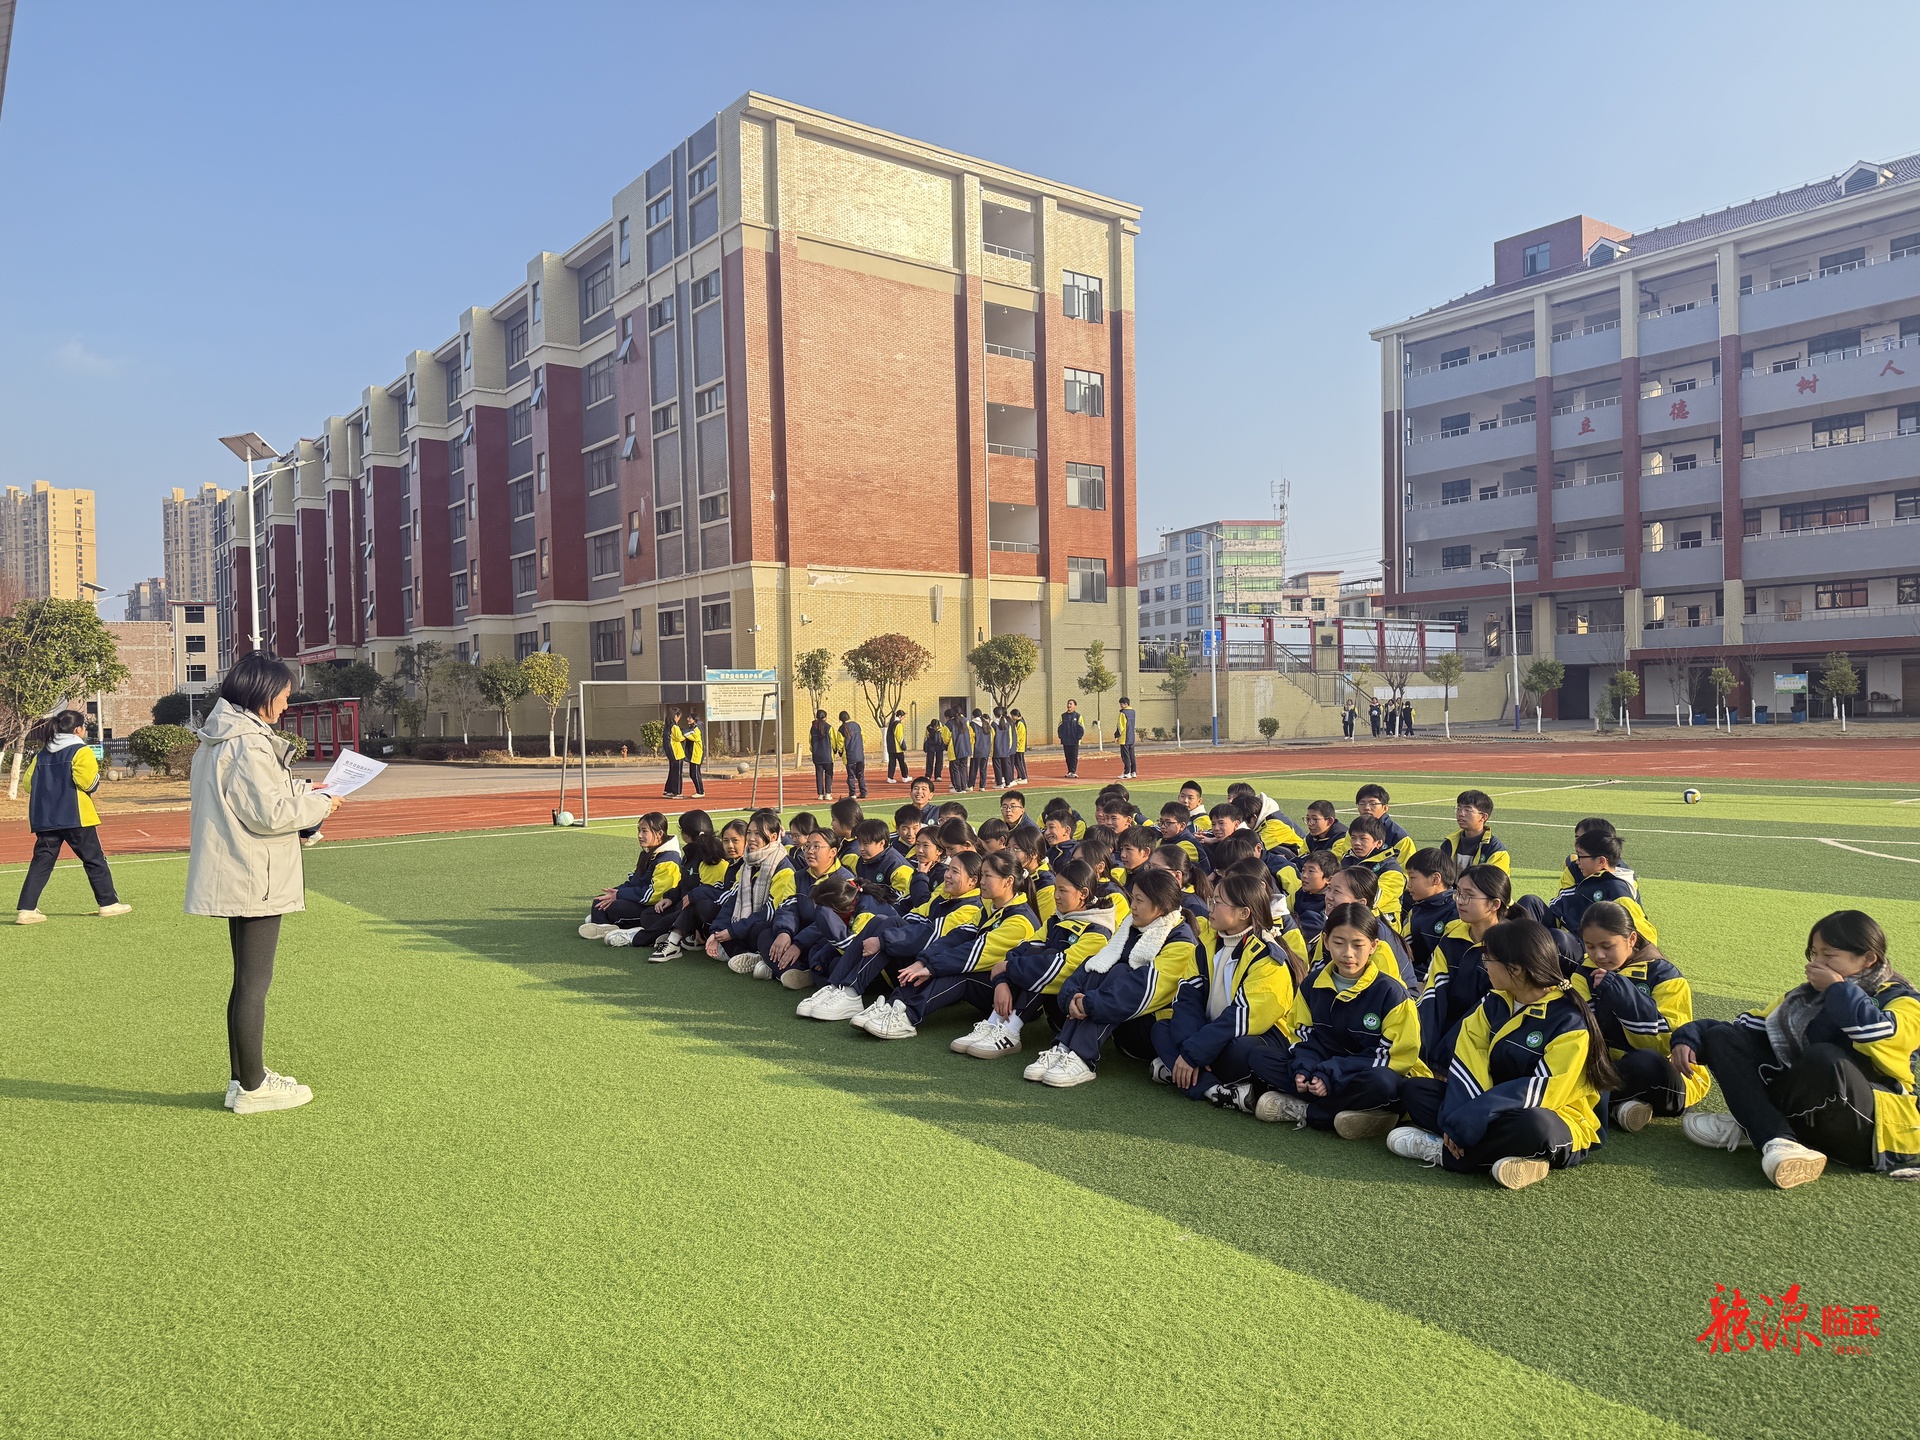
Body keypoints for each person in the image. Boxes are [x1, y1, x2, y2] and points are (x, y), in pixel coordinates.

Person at [184, 652, 343, 1116]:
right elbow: (269, 814)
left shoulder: (222, 737)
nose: (287, 703)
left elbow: (260, 801)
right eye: (284, 694)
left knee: (245, 982)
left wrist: (306, 801)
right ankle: (253, 1086)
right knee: (255, 983)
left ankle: (243, 1080)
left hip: (241, 867)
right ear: (262, 693)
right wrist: (321, 806)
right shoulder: (247, 743)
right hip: (256, 872)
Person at [1674, 910, 1920, 1187]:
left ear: (1868, 959)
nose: (1817, 963)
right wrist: (1689, 1036)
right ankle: (1776, 1138)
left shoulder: (1903, 1000)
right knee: (1720, 1036)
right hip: (1814, 1114)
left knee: (1825, 1058)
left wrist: (1837, 990)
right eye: (1814, 954)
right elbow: (1744, 1028)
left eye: (1828, 955)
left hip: (1869, 1129)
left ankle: (1753, 1123)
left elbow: (1873, 1032)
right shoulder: (1805, 995)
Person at [1390, 917, 1617, 1190]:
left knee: (1536, 1125)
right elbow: (1467, 1062)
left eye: (1489, 960)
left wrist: (1476, 1116)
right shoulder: (1493, 1003)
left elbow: (1542, 1091)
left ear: (1516, 969)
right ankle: (1508, 1157)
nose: (1484, 966)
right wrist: (1460, 1116)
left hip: (1553, 1115)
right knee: (1416, 1090)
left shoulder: (1570, 1022)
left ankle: (1447, 1154)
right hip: (1490, 1107)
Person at [1243, 902, 1425, 1137]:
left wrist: (1332, 1073)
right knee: (1261, 1056)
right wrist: (1305, 1069)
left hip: (1360, 1073)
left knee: (1384, 1083)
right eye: (1339, 943)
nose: (1348, 953)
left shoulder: (1392, 993)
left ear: (1373, 946)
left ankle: (1312, 1112)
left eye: (1358, 945)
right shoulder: (1312, 984)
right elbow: (1302, 1036)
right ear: (1326, 942)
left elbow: (1394, 1057)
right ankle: (1350, 1112)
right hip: (1323, 1072)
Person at [1026, 867, 1197, 1087]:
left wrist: (1088, 1004)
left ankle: (1081, 1057)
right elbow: (1095, 962)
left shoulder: (1181, 941)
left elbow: (1143, 991)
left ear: (1161, 907)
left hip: (1152, 1032)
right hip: (1122, 1023)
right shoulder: (1132, 926)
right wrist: (1071, 997)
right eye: (1132, 898)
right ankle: (1064, 1048)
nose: (1132, 906)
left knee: (1120, 972)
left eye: (1139, 900)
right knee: (1104, 967)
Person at [1148, 870, 1298, 1104]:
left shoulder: (1268, 957)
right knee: (1161, 1028)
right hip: (1212, 1032)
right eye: (1212, 901)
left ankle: (1179, 1071)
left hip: (1255, 1037)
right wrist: (1191, 1050)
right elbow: (1187, 998)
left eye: (1218, 902)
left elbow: (1241, 1018)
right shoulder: (1207, 944)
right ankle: (1216, 1091)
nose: (1210, 907)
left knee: (1241, 1048)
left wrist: (1192, 1053)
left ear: (1244, 913)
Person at [1571, 901, 1713, 1133]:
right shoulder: (1584, 972)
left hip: (1668, 1074)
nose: (1598, 955)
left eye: (1607, 946)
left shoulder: (1666, 976)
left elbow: (1666, 1043)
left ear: (1632, 940)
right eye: (1590, 946)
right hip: (1608, 1066)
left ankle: (1594, 1104)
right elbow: (1585, 1029)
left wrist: (1626, 998)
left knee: (1646, 1062)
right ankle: (1620, 1108)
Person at [16, 710, 130, 925]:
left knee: (41, 862)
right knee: (94, 860)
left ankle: (26, 909)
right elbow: (87, 783)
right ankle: (108, 904)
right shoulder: (81, 750)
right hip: (76, 816)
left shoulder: (42, 754)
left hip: (45, 818)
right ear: (78, 729)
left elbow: (28, 785)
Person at [587, 812, 684, 950]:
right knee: (600, 901)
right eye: (639, 830)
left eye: (644, 831)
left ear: (660, 833)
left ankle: (605, 925)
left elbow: (655, 895)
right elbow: (636, 881)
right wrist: (616, 892)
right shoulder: (648, 852)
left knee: (614, 907)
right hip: (644, 901)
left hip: (656, 907)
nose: (639, 835)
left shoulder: (668, 860)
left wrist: (619, 895)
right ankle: (603, 924)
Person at [1400, 847, 1459, 982]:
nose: (1408, 884)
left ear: (1435, 879)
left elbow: (1439, 962)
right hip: (1414, 976)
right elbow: (1402, 950)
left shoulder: (1455, 913)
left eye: (1413, 877)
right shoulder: (1417, 909)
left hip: (1434, 982)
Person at [1335, 784, 1415, 866]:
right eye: (1362, 803)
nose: (1367, 807)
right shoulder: (1354, 830)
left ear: (1385, 808)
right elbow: (1346, 856)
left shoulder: (1399, 837)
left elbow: (1407, 871)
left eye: (1373, 804)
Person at [1440, 790, 1509, 872]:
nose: (1461, 814)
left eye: (1467, 810)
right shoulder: (1449, 844)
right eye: (1458, 808)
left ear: (1483, 817)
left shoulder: (1496, 850)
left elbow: (1493, 883)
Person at [838, 711, 867, 799]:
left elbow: (840, 744)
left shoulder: (841, 729)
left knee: (851, 776)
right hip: (860, 755)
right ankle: (863, 792)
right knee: (860, 775)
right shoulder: (856, 725)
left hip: (849, 756)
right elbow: (863, 738)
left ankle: (852, 793)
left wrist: (840, 751)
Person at [809, 710, 835, 801]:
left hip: (817, 756)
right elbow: (833, 741)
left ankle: (820, 794)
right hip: (827, 756)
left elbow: (810, 741)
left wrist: (813, 750)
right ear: (825, 717)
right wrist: (835, 750)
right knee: (829, 774)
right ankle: (828, 794)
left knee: (819, 775)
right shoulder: (829, 727)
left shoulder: (813, 728)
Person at [946, 708, 973, 793]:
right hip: (965, 748)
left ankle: (958, 788)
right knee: (963, 768)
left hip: (955, 749)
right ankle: (964, 786)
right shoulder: (966, 721)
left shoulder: (949, 724)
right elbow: (971, 734)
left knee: (955, 769)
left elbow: (945, 738)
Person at [1057, 699, 1085, 778]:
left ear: (1075, 706)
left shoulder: (1078, 716)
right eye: (1068, 704)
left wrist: (1078, 737)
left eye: (1070, 704)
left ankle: (1073, 771)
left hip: (1074, 740)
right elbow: (1060, 727)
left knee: (1074, 756)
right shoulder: (1063, 716)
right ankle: (1069, 771)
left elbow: (1081, 728)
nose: (1069, 705)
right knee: (1067, 756)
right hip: (1066, 740)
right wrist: (1061, 736)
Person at [682, 711, 706, 797]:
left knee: (695, 774)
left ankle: (700, 792)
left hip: (696, 754)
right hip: (693, 754)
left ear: (694, 720)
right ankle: (699, 791)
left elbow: (692, 736)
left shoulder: (696, 728)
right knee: (693, 774)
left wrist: (682, 732)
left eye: (690, 718)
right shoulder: (693, 728)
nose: (688, 719)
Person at [1114, 697, 1139, 779]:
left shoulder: (1123, 713)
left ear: (1126, 704)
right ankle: (1133, 772)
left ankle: (1127, 772)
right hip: (1131, 737)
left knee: (1125, 756)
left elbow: (1120, 726)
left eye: (1121, 704)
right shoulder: (1133, 712)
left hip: (1124, 737)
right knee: (1132, 755)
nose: (1120, 706)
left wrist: (1117, 735)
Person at [664, 710, 686, 798]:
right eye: (679, 717)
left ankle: (668, 790)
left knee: (672, 772)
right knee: (677, 773)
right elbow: (679, 737)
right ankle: (677, 792)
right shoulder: (674, 727)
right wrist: (686, 734)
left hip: (670, 752)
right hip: (676, 752)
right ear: (675, 716)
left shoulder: (667, 726)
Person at [969, 709, 992, 792]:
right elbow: (991, 737)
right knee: (983, 769)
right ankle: (982, 786)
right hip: (986, 749)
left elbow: (971, 738)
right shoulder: (986, 723)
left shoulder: (972, 724)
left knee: (974, 769)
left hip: (977, 749)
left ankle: (971, 785)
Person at [886, 709, 910, 784]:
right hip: (897, 748)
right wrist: (903, 746)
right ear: (900, 716)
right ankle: (905, 777)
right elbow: (900, 737)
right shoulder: (898, 724)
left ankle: (890, 777)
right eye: (903, 717)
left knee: (892, 763)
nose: (903, 718)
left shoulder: (891, 724)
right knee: (902, 763)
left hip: (891, 748)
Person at [923, 715, 947, 783]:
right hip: (931, 745)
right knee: (930, 760)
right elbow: (926, 737)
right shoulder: (928, 728)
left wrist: (945, 745)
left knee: (939, 761)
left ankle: (938, 776)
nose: (935, 728)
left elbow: (944, 736)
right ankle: (928, 775)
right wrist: (925, 747)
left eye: (936, 727)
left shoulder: (942, 727)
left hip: (939, 745)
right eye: (933, 727)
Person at [1011, 709, 1029, 782]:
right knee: (1017, 762)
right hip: (1017, 746)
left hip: (1020, 747)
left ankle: (1024, 777)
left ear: (1015, 715)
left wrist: (1015, 743)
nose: (1012, 717)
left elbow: (1019, 735)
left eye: (1012, 716)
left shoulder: (1020, 723)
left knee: (1020, 762)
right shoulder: (1017, 722)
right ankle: (1020, 776)